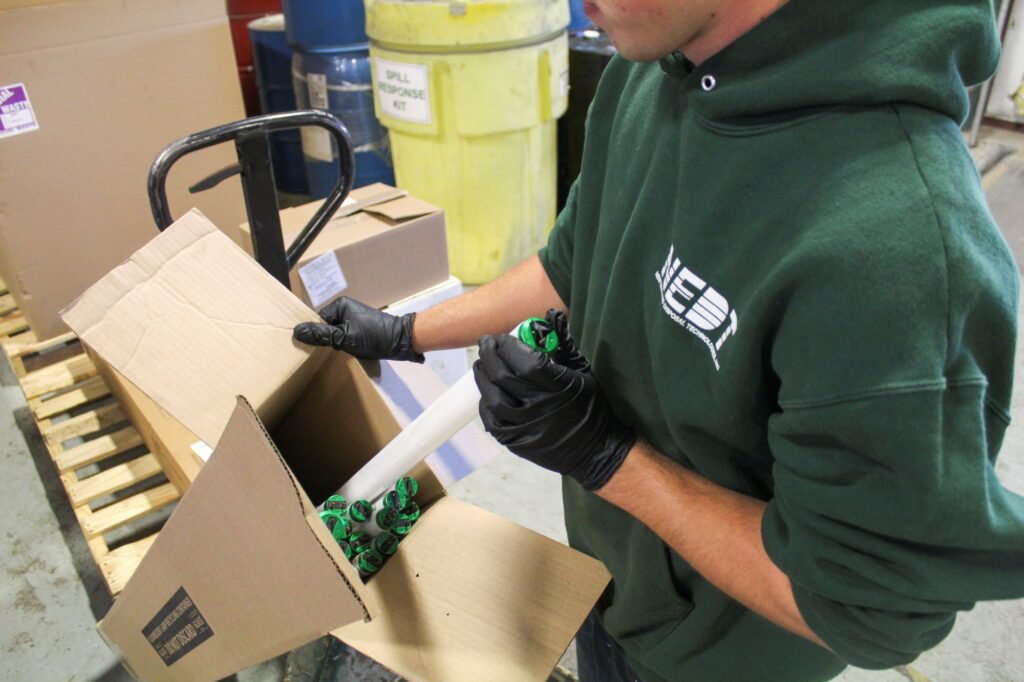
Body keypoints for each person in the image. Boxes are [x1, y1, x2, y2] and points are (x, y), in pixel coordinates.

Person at [294, 0, 1024, 679]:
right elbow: (574, 256)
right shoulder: (651, 71)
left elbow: (860, 605)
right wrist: (408, 331)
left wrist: (607, 458)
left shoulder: (900, 253)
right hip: (610, 579)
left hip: (723, 654)